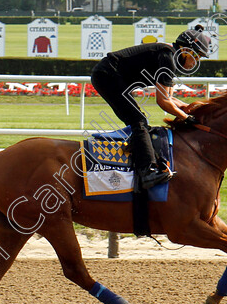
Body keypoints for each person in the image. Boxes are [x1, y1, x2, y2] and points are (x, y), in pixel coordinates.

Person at [91, 29, 212, 189]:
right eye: (196, 56)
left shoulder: (170, 57)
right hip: (107, 75)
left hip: (112, 76)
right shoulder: (167, 57)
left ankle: (139, 150)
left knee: (139, 121)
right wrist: (186, 118)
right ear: (185, 50)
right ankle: (147, 172)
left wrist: (191, 108)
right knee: (139, 121)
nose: (195, 62)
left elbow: (170, 99)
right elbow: (162, 102)